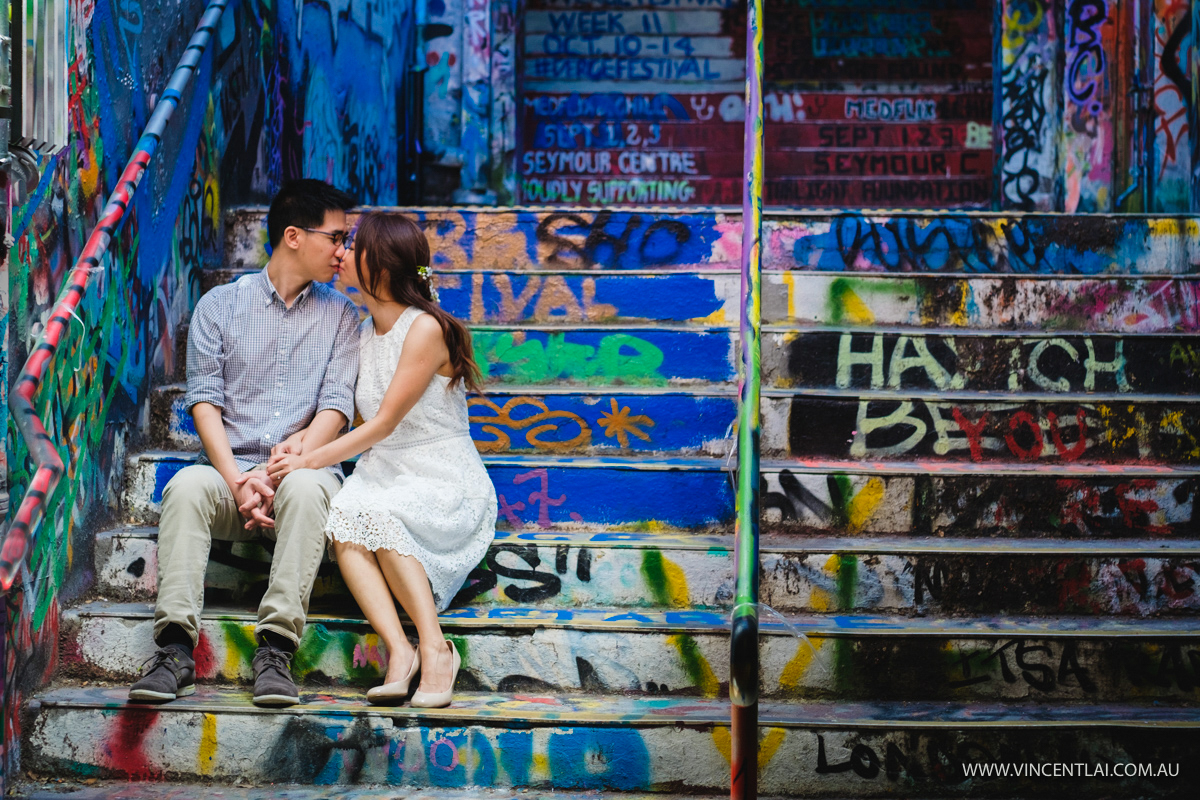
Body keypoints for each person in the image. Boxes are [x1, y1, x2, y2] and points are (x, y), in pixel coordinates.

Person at [129, 179, 360, 706]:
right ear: (294, 236)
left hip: (301, 470)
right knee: (187, 486)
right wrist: (238, 480)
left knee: (306, 489)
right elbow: (203, 401)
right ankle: (173, 649)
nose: (343, 251)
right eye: (337, 237)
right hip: (232, 473)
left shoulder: (344, 317)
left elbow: (337, 408)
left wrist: (279, 471)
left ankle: (276, 650)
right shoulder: (220, 306)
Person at [266, 212, 496, 708]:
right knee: (346, 520)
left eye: (353, 245)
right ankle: (401, 650)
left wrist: (308, 464)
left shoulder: (426, 328)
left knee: (378, 515)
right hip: (384, 470)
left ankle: (436, 649)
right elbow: (344, 411)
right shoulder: (359, 331)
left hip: (439, 472)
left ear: (381, 264)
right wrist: (299, 443)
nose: (341, 253)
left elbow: (383, 423)